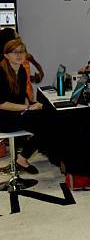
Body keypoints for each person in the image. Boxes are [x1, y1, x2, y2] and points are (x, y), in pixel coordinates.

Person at [0, 38, 45, 174]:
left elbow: (22, 94)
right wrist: (28, 108)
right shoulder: (0, 73)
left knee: (51, 117)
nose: (19, 55)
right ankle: (22, 158)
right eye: (15, 52)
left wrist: (31, 104)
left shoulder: (21, 71)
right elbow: (2, 104)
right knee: (46, 124)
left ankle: (22, 156)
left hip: (16, 113)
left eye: (22, 51)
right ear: (6, 55)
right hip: (3, 118)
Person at [0, 28, 45, 98]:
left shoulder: (25, 57)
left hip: (26, 96)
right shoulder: (3, 64)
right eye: (17, 38)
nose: (20, 39)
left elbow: (21, 77)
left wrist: (36, 76)